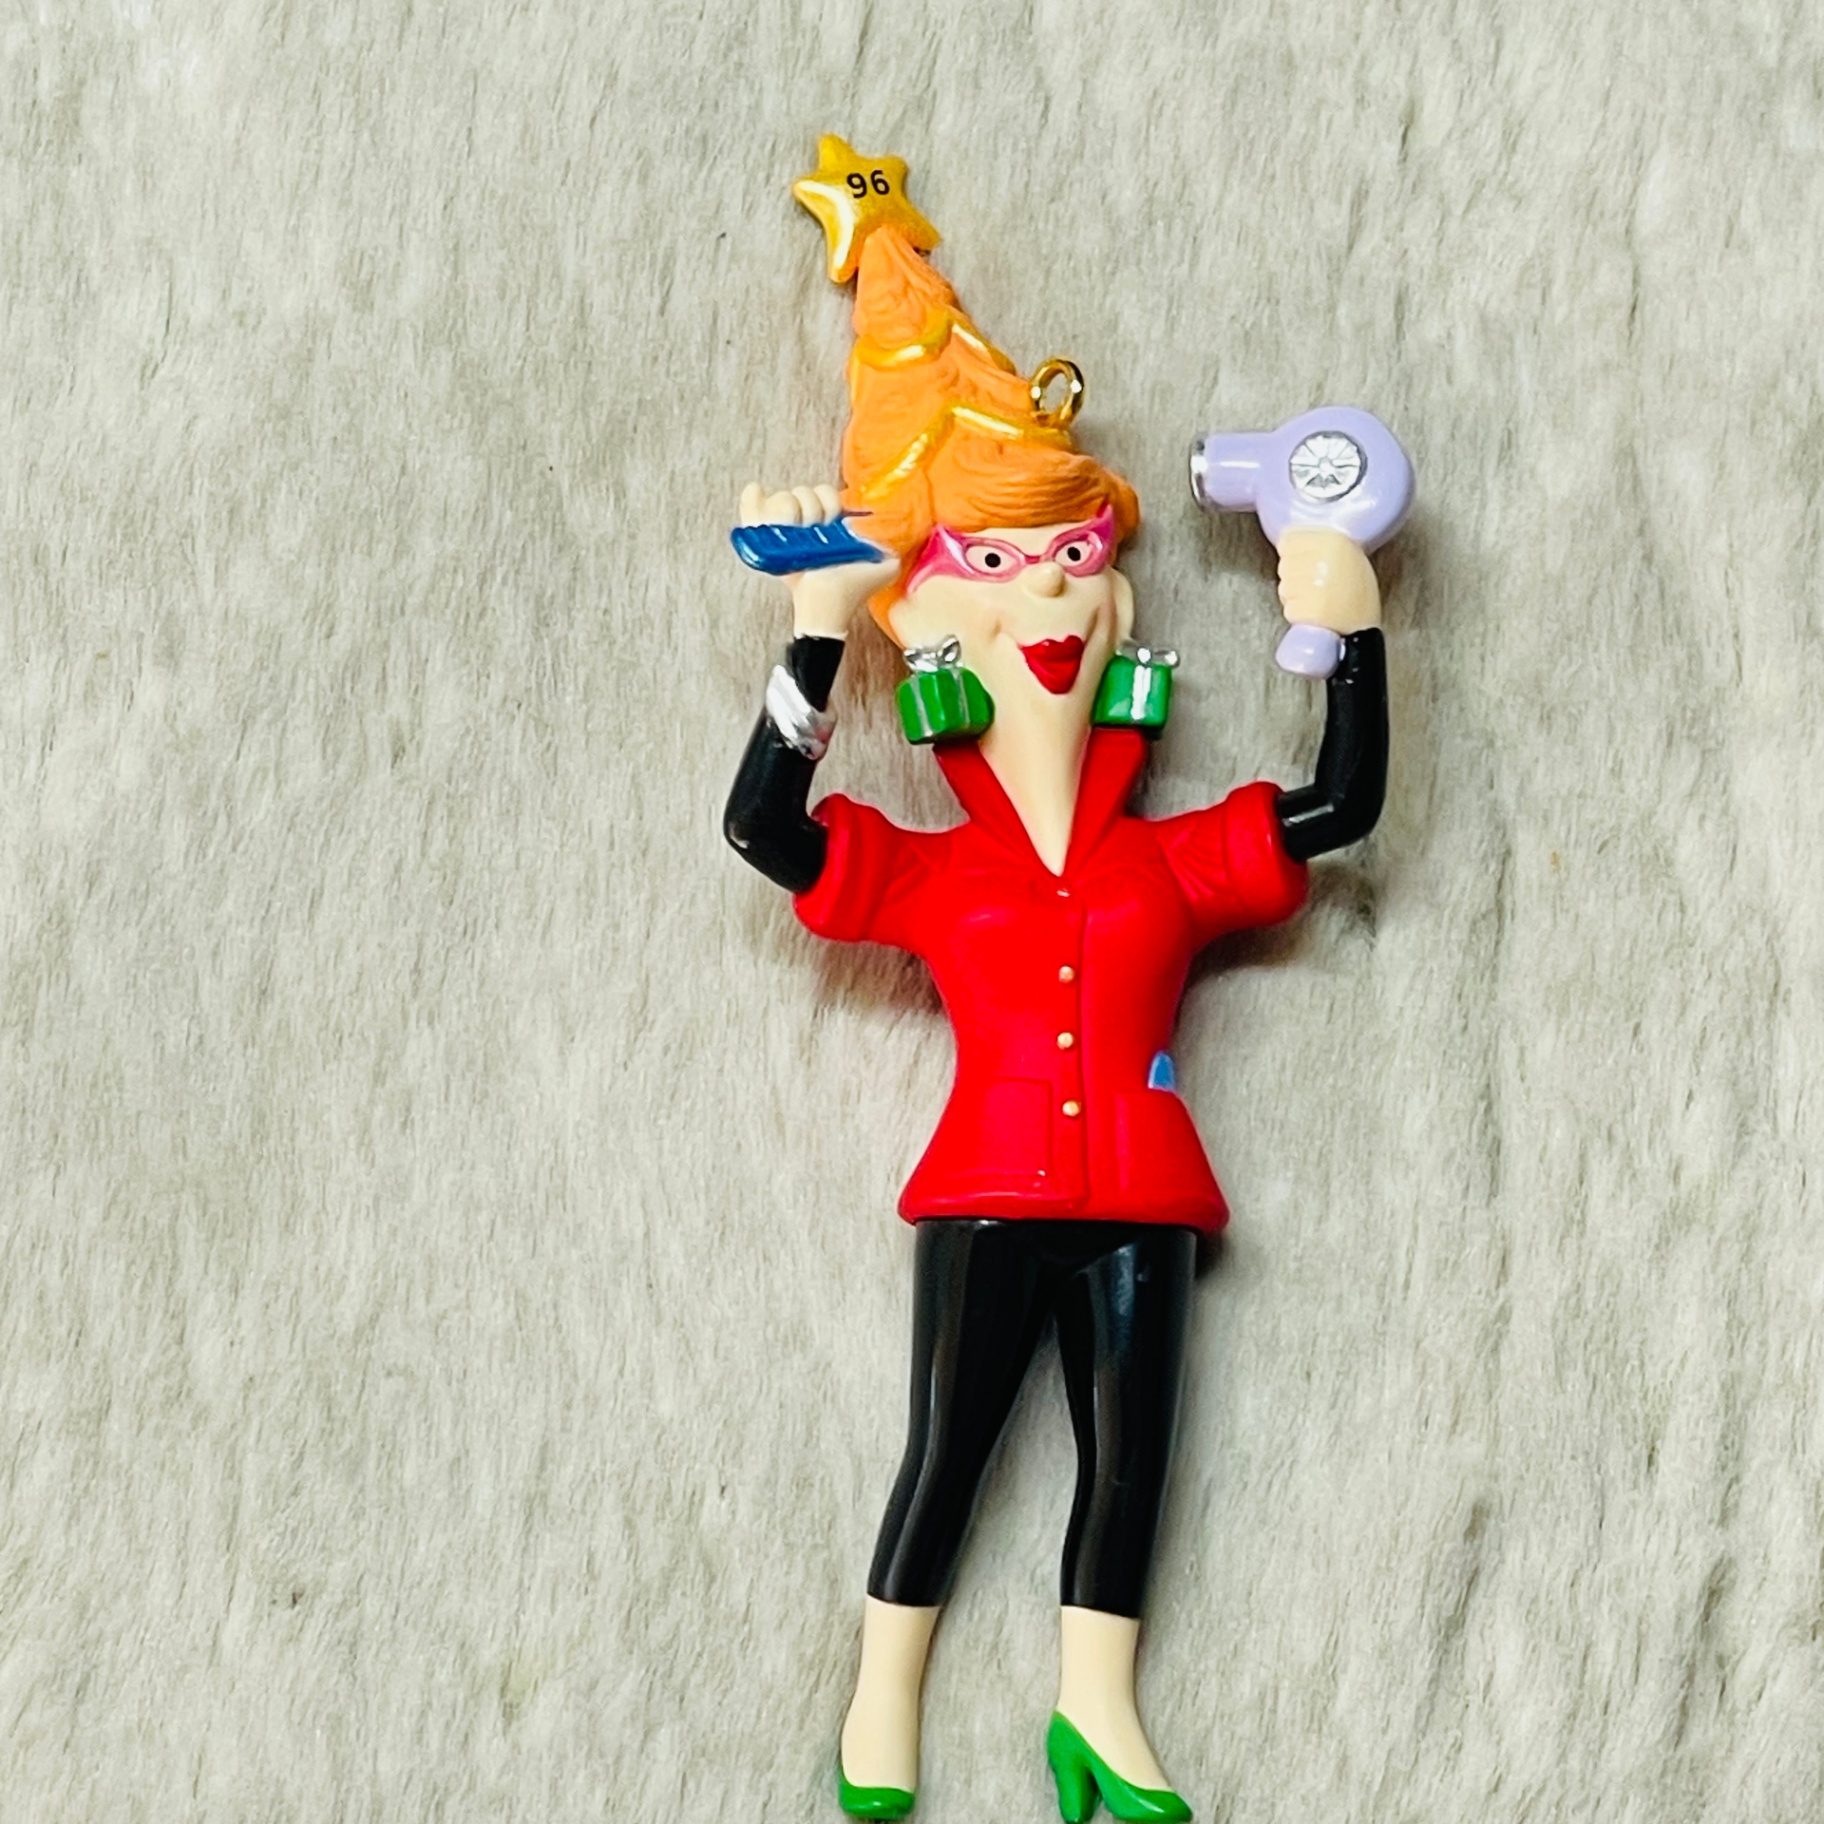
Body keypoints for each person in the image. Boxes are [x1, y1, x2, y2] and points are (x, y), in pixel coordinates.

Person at [724, 145, 1388, 1824]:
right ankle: (885, 1695)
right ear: (927, 619)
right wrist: (814, 642)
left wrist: (1356, 630)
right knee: (947, 1453)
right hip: (987, 1199)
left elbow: (1337, 808)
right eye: (1002, 559)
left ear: (1120, 600)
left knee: (1130, 1461)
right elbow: (764, 831)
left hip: (1147, 1197)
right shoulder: (935, 869)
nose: (1052, 590)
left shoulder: (1172, 858)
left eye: (1076, 553)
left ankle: (1098, 1708)